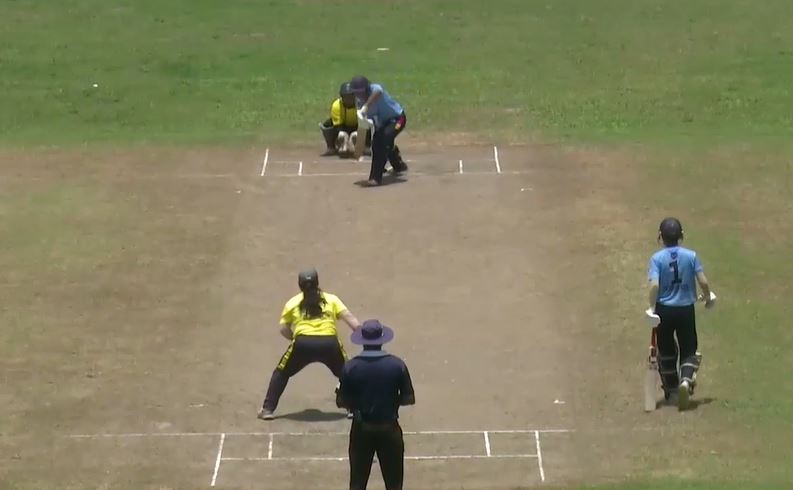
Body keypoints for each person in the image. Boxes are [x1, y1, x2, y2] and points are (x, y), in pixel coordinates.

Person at [258, 268, 362, 420]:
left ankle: (267, 409)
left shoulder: (293, 302)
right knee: (346, 372)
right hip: (329, 343)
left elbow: (283, 329)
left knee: (281, 372)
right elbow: (350, 319)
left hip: (303, 343)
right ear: (317, 283)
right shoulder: (331, 299)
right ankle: (354, 408)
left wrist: (295, 338)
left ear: (300, 285)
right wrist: (365, 336)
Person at [336, 319, 415, 490]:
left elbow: (341, 401)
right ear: (382, 339)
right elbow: (409, 398)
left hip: (361, 430)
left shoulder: (351, 367)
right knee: (394, 484)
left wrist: (358, 404)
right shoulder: (397, 365)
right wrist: (390, 402)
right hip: (389, 430)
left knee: (357, 482)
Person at [647, 218, 714, 410]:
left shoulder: (656, 259)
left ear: (660, 237)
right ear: (681, 235)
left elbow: (654, 285)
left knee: (666, 351)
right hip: (685, 310)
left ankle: (673, 391)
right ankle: (686, 381)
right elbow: (703, 280)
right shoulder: (691, 256)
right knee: (689, 348)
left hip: (664, 311)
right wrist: (708, 297)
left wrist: (652, 308)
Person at [349, 75, 408, 187]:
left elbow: (378, 92)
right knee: (377, 143)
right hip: (383, 122)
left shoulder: (374, 89)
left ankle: (375, 178)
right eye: (355, 93)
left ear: (366, 88)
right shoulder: (359, 103)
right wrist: (359, 148)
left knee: (385, 138)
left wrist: (366, 107)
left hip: (398, 118)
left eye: (360, 92)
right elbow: (365, 124)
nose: (358, 95)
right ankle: (398, 165)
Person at [319, 83, 371, 157]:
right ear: (342, 97)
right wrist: (345, 138)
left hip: (358, 126)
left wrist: (357, 134)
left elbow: (365, 122)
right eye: (346, 97)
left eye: (350, 96)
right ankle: (332, 147)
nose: (348, 99)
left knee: (370, 124)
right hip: (343, 126)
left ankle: (367, 146)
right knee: (328, 127)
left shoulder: (361, 105)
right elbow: (338, 126)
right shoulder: (336, 105)